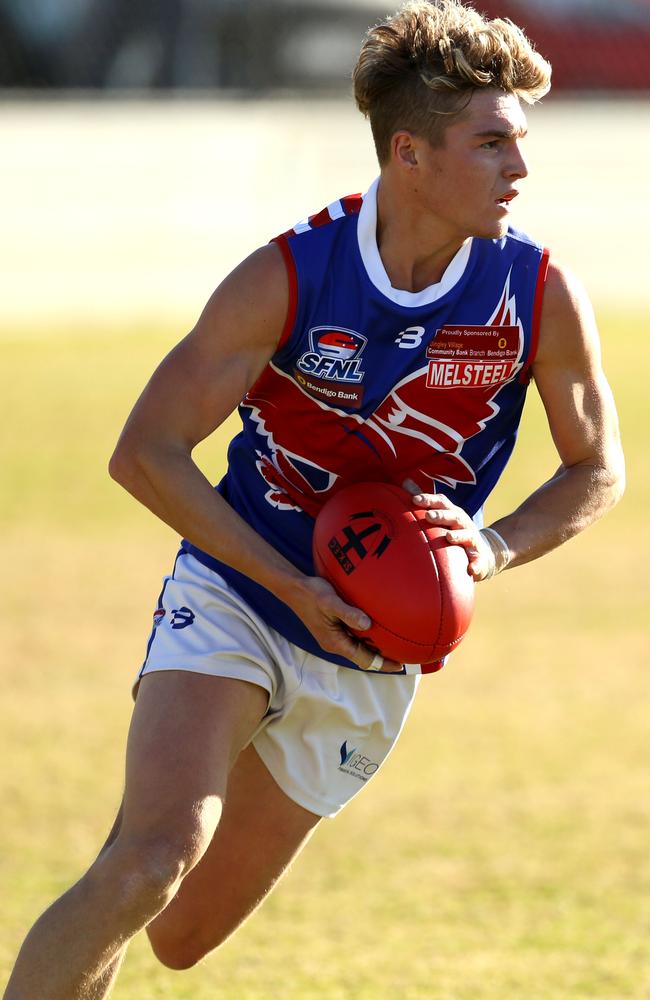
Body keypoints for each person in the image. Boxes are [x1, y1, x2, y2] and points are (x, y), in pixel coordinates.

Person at [3, 1, 625, 996]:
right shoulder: (287, 277)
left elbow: (595, 466)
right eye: (492, 143)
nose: (520, 168)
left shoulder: (536, 293)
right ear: (408, 154)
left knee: (184, 932)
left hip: (379, 641)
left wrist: (489, 548)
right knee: (149, 862)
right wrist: (289, 585)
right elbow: (147, 453)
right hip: (243, 586)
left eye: (520, 142)